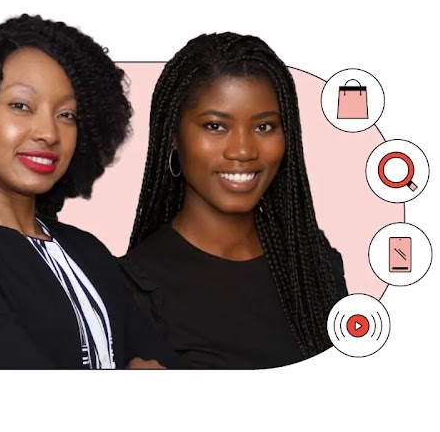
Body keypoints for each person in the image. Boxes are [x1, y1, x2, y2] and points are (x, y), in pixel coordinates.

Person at [0, 14, 178, 369]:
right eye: (21, 106)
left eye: (67, 115)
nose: (49, 133)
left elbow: (165, 367)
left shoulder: (86, 250)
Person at [119, 32, 348, 370]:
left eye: (265, 126)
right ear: (173, 136)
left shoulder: (315, 264)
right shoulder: (131, 289)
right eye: (215, 126)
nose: (243, 150)